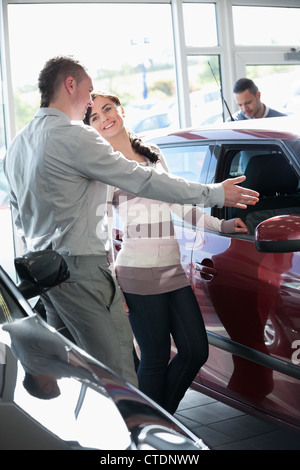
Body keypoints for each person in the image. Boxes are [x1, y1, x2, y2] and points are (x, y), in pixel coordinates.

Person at [3, 56, 258, 389]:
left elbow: (19, 216)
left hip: (45, 274)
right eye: (89, 93)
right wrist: (213, 193)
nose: (90, 104)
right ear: (70, 85)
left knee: (76, 375)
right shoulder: (77, 137)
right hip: (83, 271)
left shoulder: (17, 145)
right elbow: (144, 182)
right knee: (120, 374)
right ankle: (136, 439)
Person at [84, 91, 249, 414]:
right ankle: (152, 434)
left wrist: (222, 226)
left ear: (121, 109)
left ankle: (156, 425)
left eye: (108, 109)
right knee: (155, 359)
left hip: (173, 271)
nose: (104, 118)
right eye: (94, 117)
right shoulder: (102, 169)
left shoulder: (152, 153)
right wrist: (113, 288)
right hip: (136, 275)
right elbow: (100, 233)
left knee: (195, 351)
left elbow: (178, 204)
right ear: (90, 128)